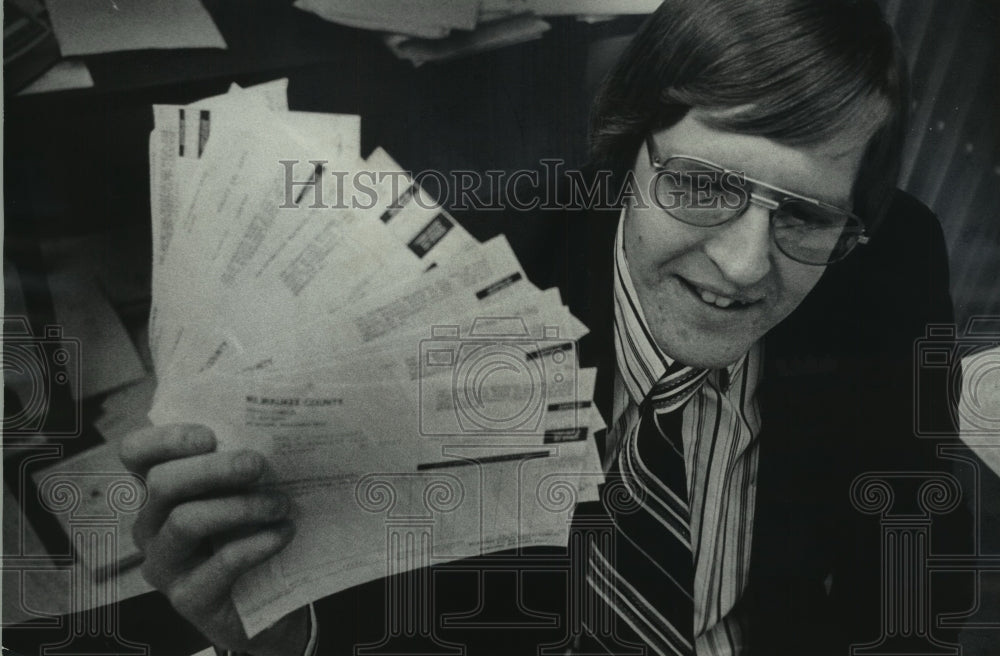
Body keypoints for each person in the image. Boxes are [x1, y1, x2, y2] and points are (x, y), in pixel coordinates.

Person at [120, 0, 971, 654]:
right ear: (626, 148)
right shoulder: (450, 292)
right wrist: (277, 638)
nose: (746, 264)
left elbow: (908, 560)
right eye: (705, 186)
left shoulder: (887, 271)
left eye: (805, 217)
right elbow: (367, 624)